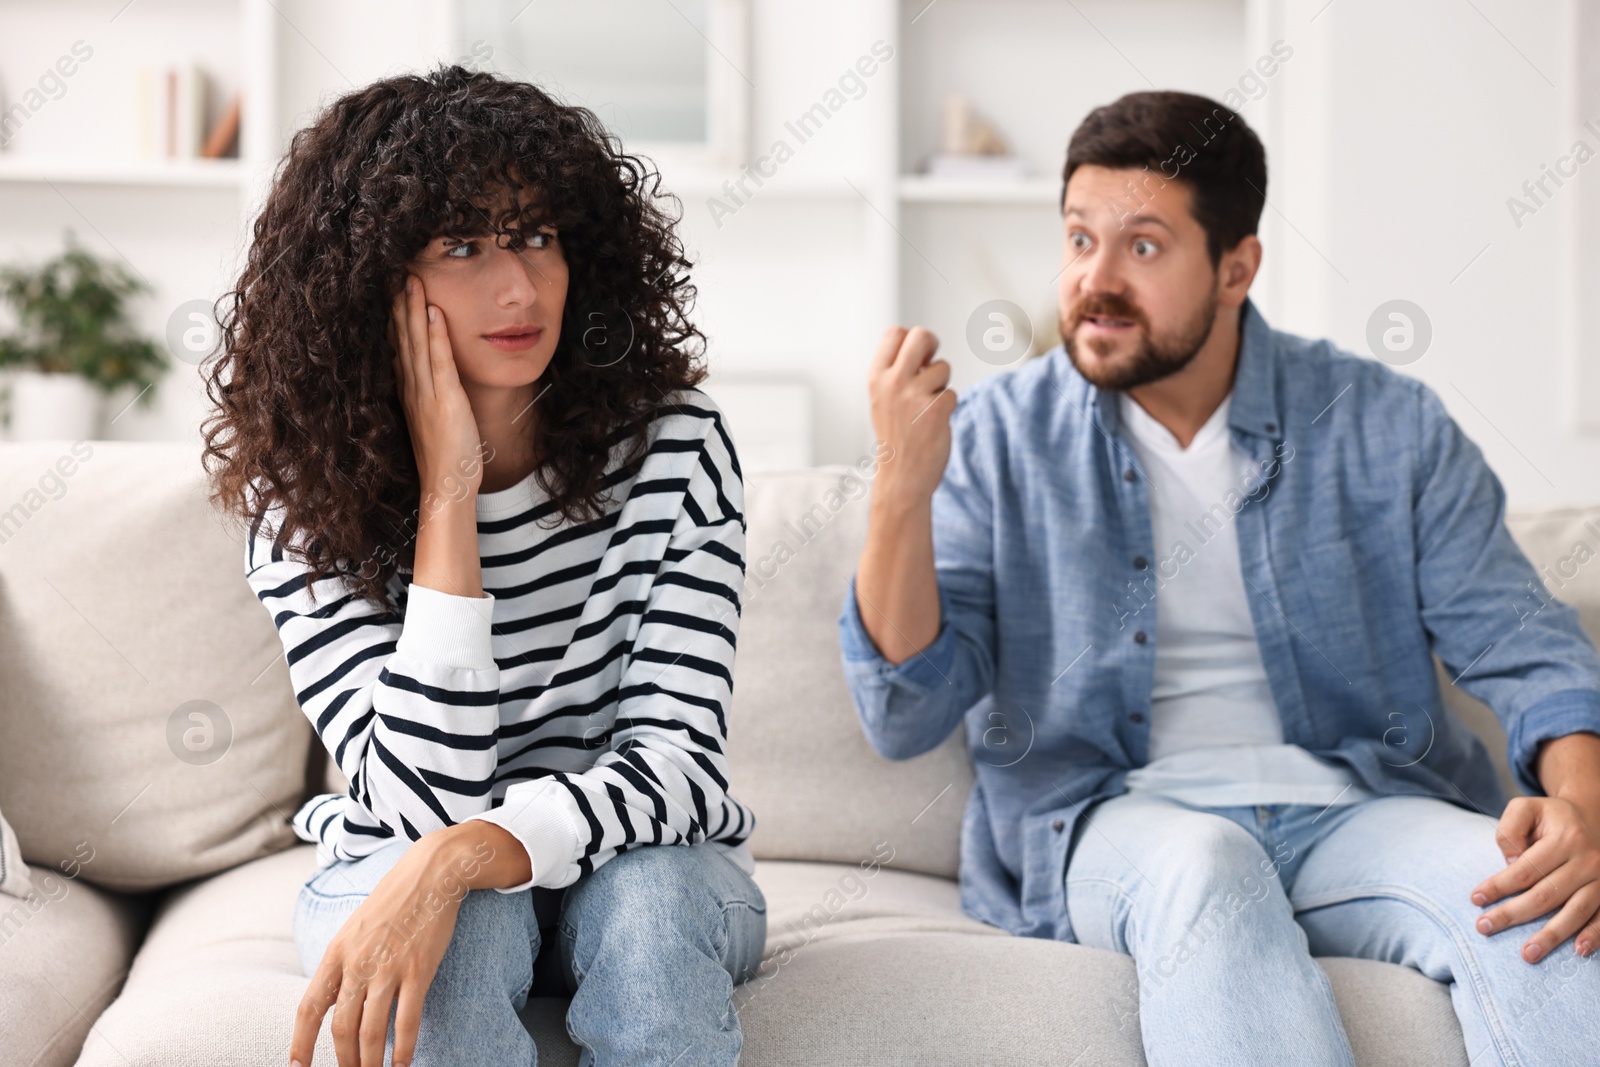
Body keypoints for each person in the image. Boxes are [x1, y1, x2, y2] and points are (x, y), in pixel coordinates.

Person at [838, 89, 1600, 1066]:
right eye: (1078, 239)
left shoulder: (1385, 424)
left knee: (1540, 904)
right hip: (1111, 821)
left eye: (1142, 247)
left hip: (1356, 804)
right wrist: (899, 490)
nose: (1094, 281)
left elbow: (1529, 650)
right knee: (1209, 862)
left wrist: (1579, 812)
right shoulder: (993, 441)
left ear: (1235, 266)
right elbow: (905, 714)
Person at [201, 65, 765, 1067]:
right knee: (459, 937)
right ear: (370, 276)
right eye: (460, 246)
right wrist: (447, 497)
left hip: (644, 861)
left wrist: (468, 854)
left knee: (648, 906)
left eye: (535, 237)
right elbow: (419, 803)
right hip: (401, 852)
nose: (517, 288)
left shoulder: (676, 446)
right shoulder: (303, 493)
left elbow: (676, 760)